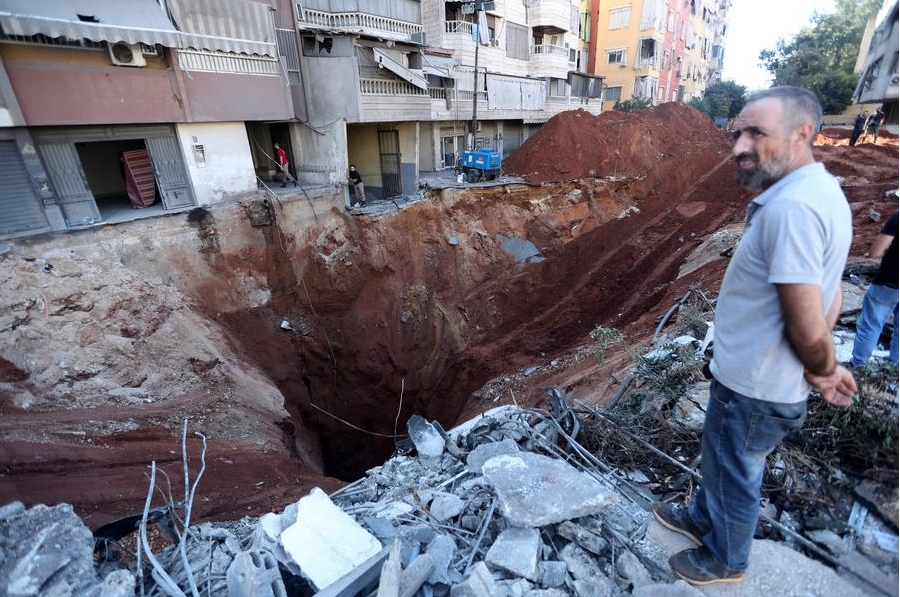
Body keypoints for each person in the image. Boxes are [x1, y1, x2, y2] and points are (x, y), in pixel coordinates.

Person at [653, 86, 857, 586]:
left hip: (757, 384)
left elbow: (808, 318)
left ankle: (727, 558)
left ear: (802, 133)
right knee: (722, 460)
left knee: (736, 471)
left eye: (756, 133)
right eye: (737, 132)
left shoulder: (793, 212)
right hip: (753, 374)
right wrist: (817, 364)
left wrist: (825, 370)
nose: (740, 146)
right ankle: (704, 520)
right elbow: (830, 293)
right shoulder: (817, 193)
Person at [848, 211, 899, 367]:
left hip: (889, 281)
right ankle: (894, 369)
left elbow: (875, 252)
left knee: (871, 325)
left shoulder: (898, 218)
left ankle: (858, 366)